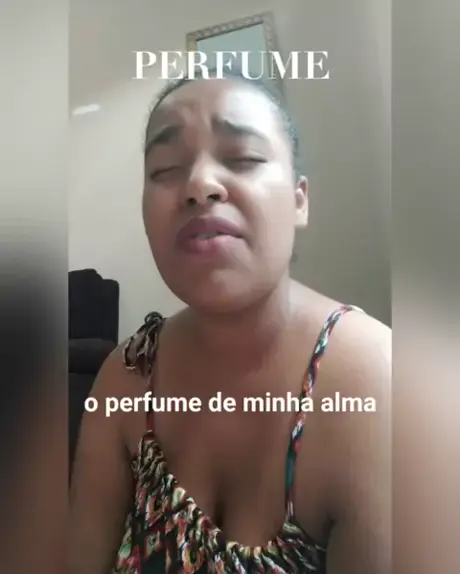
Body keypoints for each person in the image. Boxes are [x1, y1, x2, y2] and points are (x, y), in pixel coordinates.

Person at [69, 69, 391, 574]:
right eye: (166, 168)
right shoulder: (126, 375)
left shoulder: (382, 384)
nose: (199, 184)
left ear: (299, 200)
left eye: (242, 158)